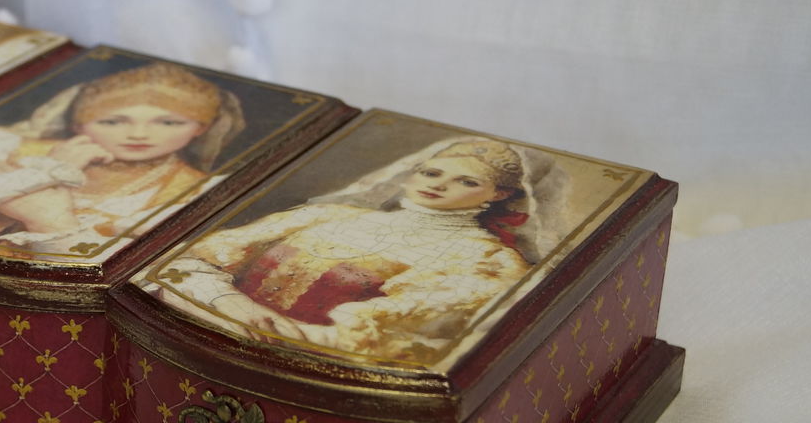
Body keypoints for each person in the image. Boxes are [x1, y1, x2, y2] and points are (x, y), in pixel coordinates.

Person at [157, 138, 558, 363]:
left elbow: (394, 344)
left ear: (498, 194)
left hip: (304, 369)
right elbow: (185, 264)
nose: (438, 185)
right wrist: (228, 303)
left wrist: (272, 334)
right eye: (431, 172)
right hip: (201, 335)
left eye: (467, 181)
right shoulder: (328, 215)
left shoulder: (486, 260)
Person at [0, 61, 244, 260]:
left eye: (168, 122)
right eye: (113, 121)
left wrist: (47, 218)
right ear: (79, 122)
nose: (139, 134)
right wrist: (35, 175)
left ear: (200, 128)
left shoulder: (194, 191)